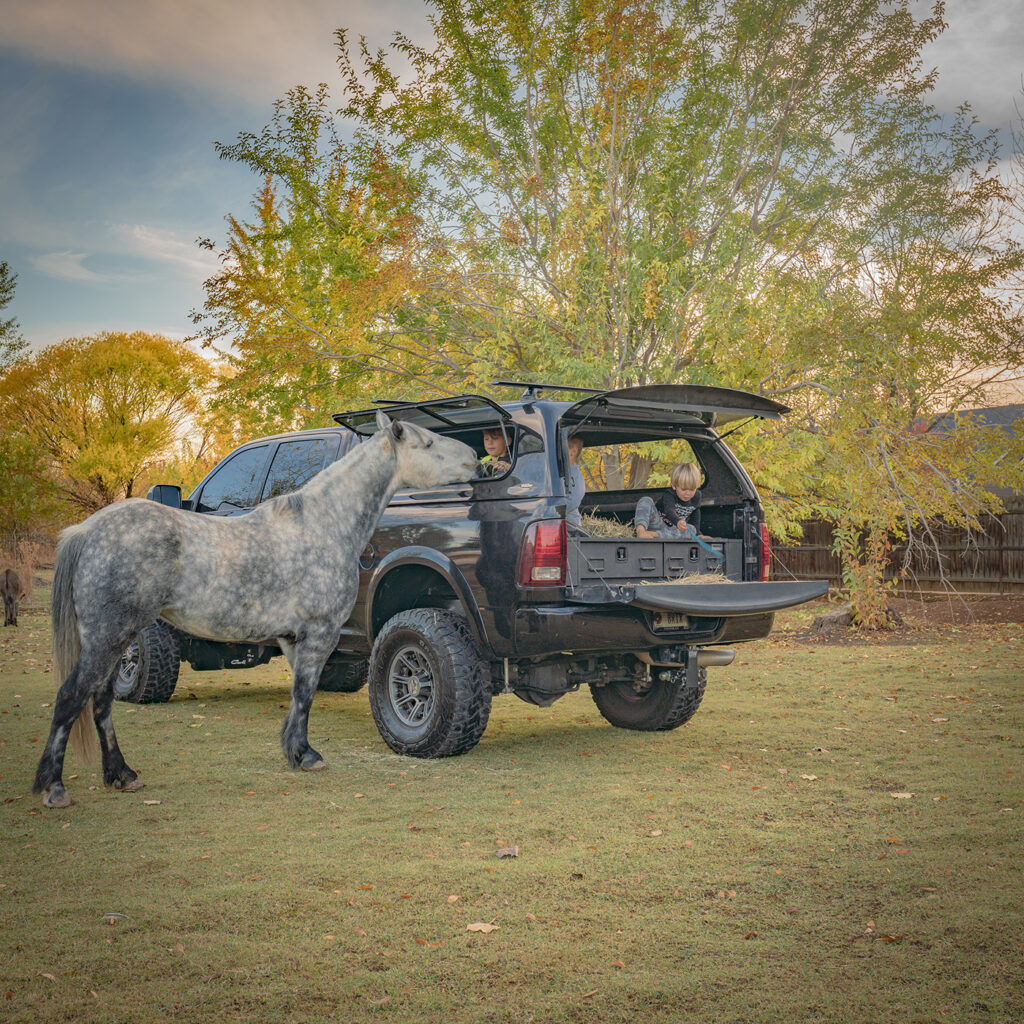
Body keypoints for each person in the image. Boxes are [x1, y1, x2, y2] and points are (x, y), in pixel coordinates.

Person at [634, 461, 708, 539]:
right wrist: (677, 521)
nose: (688, 493)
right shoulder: (669, 495)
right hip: (657, 522)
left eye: (692, 489)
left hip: (672, 531)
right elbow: (669, 510)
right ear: (674, 486)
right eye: (683, 489)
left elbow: (695, 515)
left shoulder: (697, 497)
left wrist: (699, 534)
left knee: (692, 530)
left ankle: (654, 535)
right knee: (646, 500)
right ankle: (641, 531)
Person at [565, 435, 586, 527]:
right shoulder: (559, 473)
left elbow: (572, 501)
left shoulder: (576, 477)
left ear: (573, 452)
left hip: (571, 527)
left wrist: (549, 511)